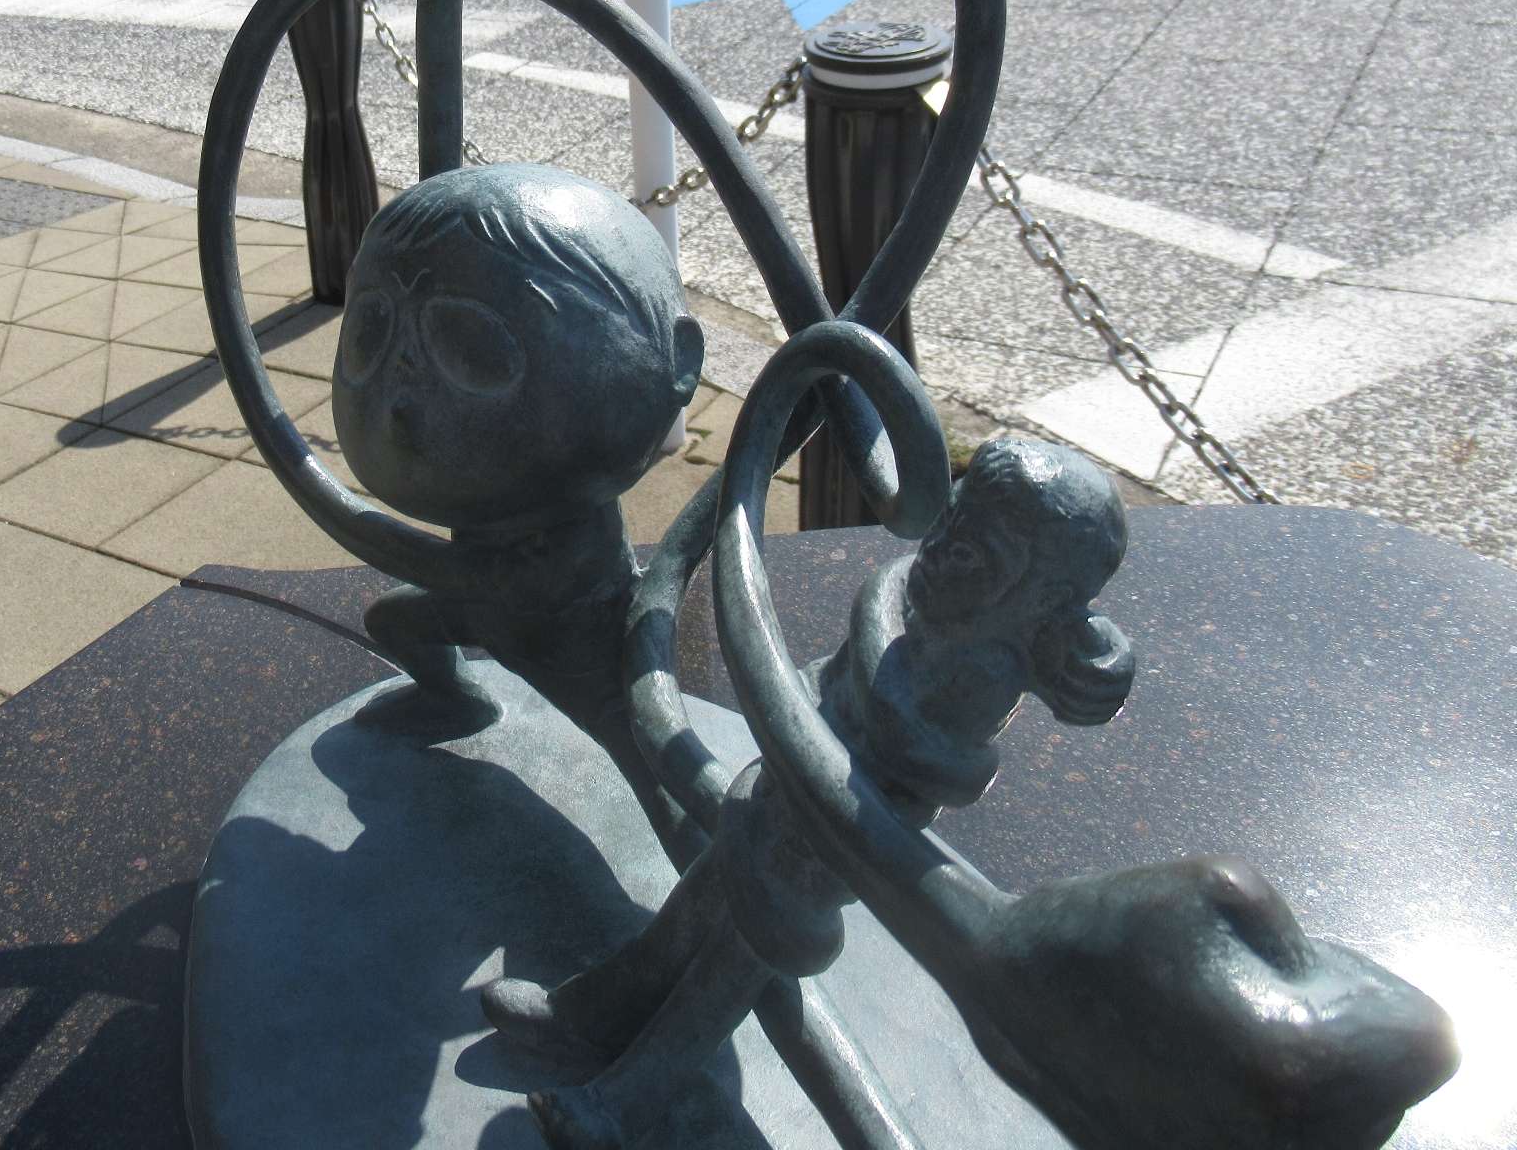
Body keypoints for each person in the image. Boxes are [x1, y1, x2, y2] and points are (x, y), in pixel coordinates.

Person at [485, 438, 1139, 1148]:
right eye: (953, 520)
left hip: (830, 839)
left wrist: (1098, 655)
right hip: (784, 788)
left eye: (981, 556)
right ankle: (590, 1013)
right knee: (694, 906)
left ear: (1038, 604)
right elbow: (848, 673)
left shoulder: (984, 670)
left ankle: (622, 1103)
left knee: (729, 967)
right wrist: (801, 696)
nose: (943, 551)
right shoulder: (927, 610)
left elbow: (910, 736)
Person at [330, 162, 704, 744]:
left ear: (678, 361)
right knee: (392, 621)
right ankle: (450, 699)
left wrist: (356, 525)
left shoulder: (541, 552)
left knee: (644, 751)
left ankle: (682, 800)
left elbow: (462, 570)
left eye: (470, 343)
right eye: (371, 328)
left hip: (570, 644)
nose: (405, 374)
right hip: (484, 614)